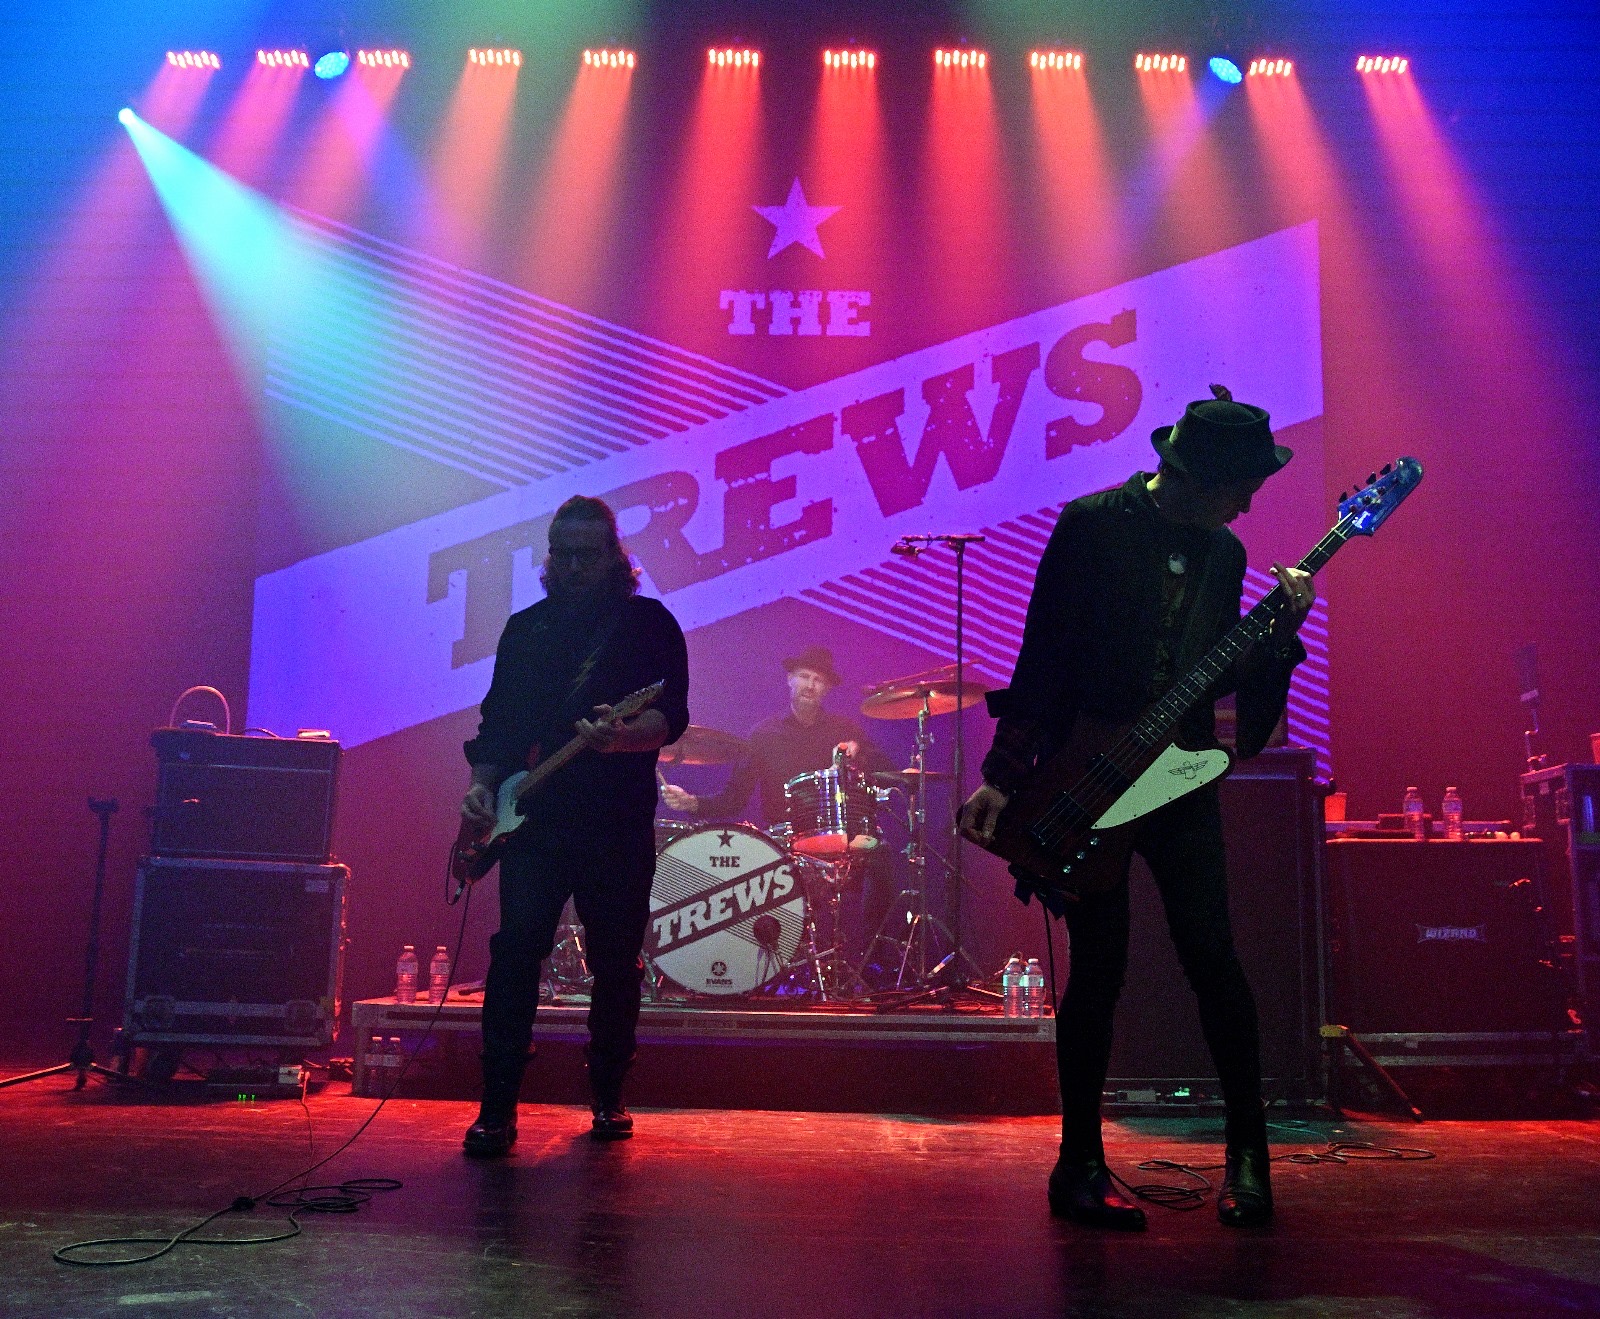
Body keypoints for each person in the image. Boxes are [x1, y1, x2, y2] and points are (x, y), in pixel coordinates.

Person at [959, 386, 1315, 1230]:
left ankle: (1249, 1157)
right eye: (1240, 488)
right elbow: (1043, 657)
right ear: (1192, 476)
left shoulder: (1225, 554)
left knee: (1214, 958)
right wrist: (1004, 774)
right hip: (1095, 774)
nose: (1248, 505)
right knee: (1098, 969)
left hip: (1179, 779)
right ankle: (1078, 1162)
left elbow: (1221, 682)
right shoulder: (1092, 526)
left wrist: (1278, 640)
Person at [459, 495, 689, 1156]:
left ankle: (609, 1095)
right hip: (534, 821)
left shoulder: (648, 624)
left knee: (616, 961)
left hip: (615, 821)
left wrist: (621, 738)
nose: (575, 567)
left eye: (588, 555)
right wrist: (480, 791)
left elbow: (670, 715)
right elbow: (499, 726)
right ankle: (496, 1106)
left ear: (616, 556)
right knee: (514, 954)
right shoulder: (525, 630)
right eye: (563, 555)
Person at [659, 645, 888, 828]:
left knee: (879, 852)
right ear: (790, 679)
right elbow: (734, 799)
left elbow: (886, 774)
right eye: (804, 676)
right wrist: (691, 802)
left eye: (818, 680)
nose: (810, 685)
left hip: (841, 836)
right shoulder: (763, 735)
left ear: (827, 688)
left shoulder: (845, 730)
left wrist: (858, 754)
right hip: (786, 844)